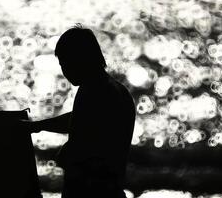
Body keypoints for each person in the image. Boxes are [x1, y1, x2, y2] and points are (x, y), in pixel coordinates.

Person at [22, 24, 136, 198]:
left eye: (66, 63)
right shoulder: (113, 89)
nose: (65, 71)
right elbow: (81, 120)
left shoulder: (94, 91)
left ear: (81, 59)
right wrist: (38, 126)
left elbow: (87, 137)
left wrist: (67, 153)